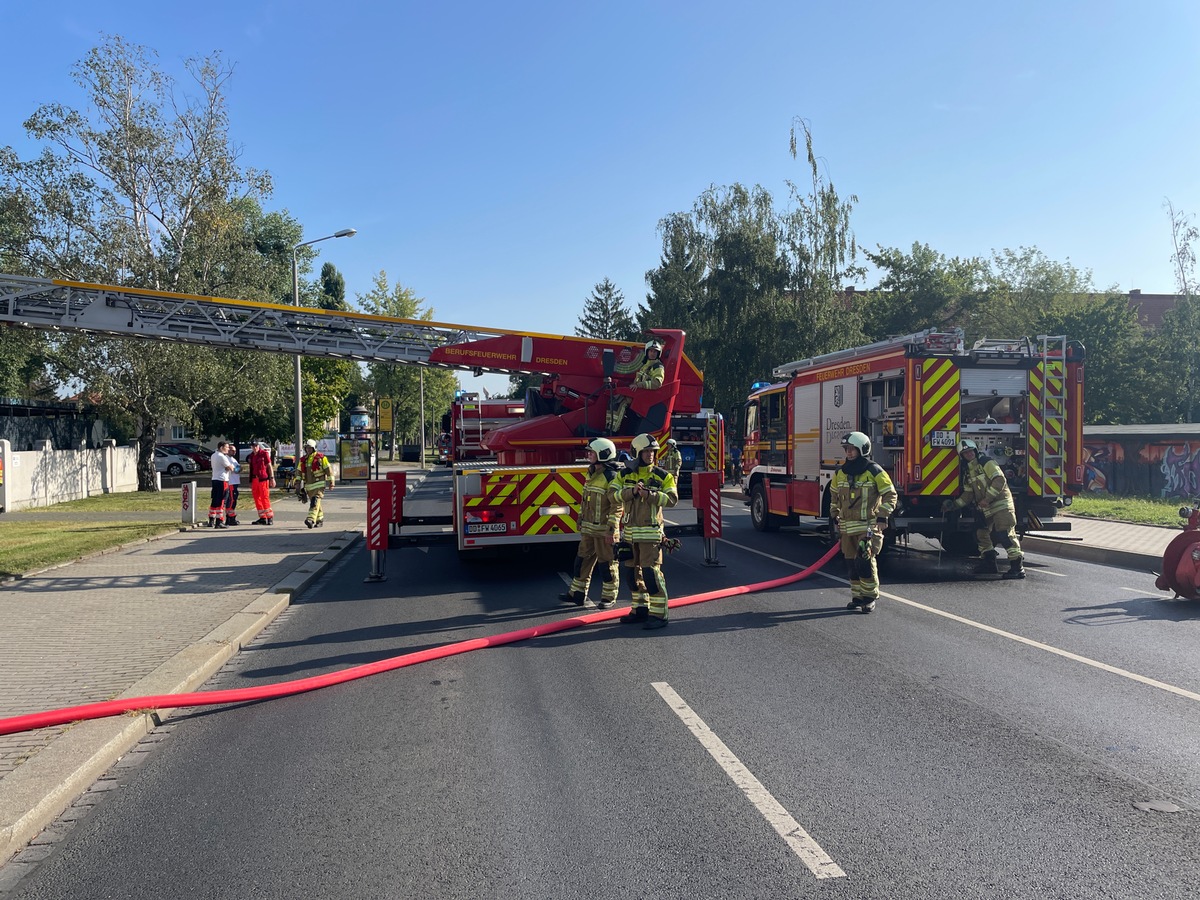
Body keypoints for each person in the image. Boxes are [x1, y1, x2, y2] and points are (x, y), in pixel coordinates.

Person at [829, 431, 897, 613]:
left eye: (852, 449)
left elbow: (890, 494)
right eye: (847, 449)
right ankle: (857, 597)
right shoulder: (840, 473)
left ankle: (869, 597)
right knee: (851, 564)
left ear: (863, 449)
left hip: (868, 526)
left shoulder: (874, 471)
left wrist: (883, 516)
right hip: (846, 527)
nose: (849, 453)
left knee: (864, 561)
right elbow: (834, 496)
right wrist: (834, 514)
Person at [619, 432, 678, 629]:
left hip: (651, 535)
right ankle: (640, 610)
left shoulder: (662, 476)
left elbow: (671, 499)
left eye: (652, 451)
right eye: (646, 452)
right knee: (631, 576)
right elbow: (612, 495)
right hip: (629, 535)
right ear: (637, 452)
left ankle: (659, 615)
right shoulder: (625, 474)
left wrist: (649, 494)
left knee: (651, 575)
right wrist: (632, 492)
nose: (650, 455)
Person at [942, 439, 1025, 579]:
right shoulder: (968, 471)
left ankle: (1017, 568)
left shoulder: (987, 462)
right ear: (962, 456)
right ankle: (989, 564)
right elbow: (968, 494)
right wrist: (953, 506)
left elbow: (1000, 480)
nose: (968, 454)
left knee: (1005, 534)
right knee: (980, 534)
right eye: (965, 453)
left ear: (975, 450)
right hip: (987, 509)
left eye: (970, 451)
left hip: (1001, 505)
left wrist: (987, 499)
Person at [558, 437, 624, 609]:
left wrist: (611, 530)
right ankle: (577, 594)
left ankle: (608, 597)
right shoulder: (592, 473)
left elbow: (617, 506)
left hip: (604, 532)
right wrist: (580, 518)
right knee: (581, 562)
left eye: (592, 452)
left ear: (603, 454)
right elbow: (585, 500)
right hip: (589, 529)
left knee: (607, 565)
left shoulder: (612, 477)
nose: (589, 455)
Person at [606, 339, 666, 433]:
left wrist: (639, 385)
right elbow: (638, 379)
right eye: (650, 351)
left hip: (645, 397)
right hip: (638, 395)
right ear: (647, 352)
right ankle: (609, 427)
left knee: (621, 403)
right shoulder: (645, 365)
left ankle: (613, 431)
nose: (652, 353)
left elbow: (657, 383)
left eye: (655, 351)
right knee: (613, 400)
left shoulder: (658, 367)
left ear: (658, 353)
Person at [294, 438, 334, 528]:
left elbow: (329, 470)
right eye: (307, 448)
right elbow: (299, 472)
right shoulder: (303, 460)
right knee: (316, 503)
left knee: (315, 501)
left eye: (310, 448)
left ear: (314, 448)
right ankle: (320, 520)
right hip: (309, 486)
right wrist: (297, 482)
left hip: (319, 484)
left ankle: (310, 519)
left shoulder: (321, 458)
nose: (308, 450)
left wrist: (331, 482)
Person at [207, 442, 236, 528]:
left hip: (215, 479)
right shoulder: (222, 457)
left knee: (214, 500)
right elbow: (231, 468)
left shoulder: (213, 455)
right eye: (227, 447)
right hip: (222, 480)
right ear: (221, 447)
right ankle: (219, 521)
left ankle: (211, 519)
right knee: (222, 501)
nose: (228, 449)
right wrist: (229, 467)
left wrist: (226, 467)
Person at [248, 439, 276, 525]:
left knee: (264, 497)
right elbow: (251, 469)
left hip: (263, 479)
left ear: (258, 446)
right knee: (257, 498)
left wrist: (272, 478)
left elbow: (269, 466)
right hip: (254, 479)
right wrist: (250, 481)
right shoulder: (252, 456)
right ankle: (262, 517)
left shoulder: (264, 454)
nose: (254, 447)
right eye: (253, 446)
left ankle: (270, 517)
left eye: (255, 446)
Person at [224, 442, 243, 525]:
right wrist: (238, 469)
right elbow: (234, 470)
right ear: (228, 450)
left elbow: (238, 468)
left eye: (235, 450)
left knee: (233, 500)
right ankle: (230, 517)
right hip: (231, 482)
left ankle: (231, 516)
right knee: (231, 501)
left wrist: (239, 468)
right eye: (232, 450)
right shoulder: (226, 459)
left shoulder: (233, 459)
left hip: (235, 482)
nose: (234, 452)